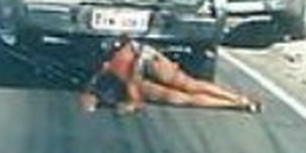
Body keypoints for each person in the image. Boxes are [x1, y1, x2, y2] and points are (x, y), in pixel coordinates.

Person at [80, 35, 262, 114]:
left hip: (145, 58)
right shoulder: (101, 79)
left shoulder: (117, 67)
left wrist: (132, 104)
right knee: (182, 98)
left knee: (188, 86)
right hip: (137, 69)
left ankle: (238, 99)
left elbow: (134, 92)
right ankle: (235, 103)